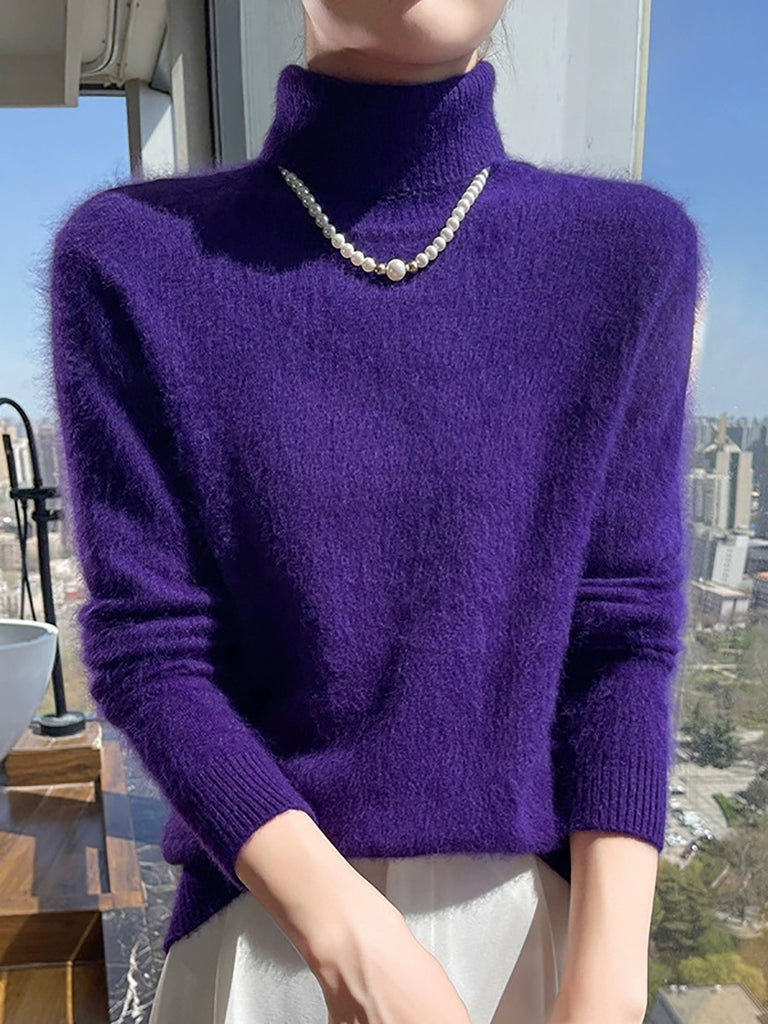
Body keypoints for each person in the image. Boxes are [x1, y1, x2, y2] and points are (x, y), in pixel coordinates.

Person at [48, 0, 703, 1022]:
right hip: (271, 942)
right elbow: (150, 651)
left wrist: (610, 990)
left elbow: (621, 639)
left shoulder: (628, 257)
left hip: (546, 949)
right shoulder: (132, 258)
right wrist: (351, 941)